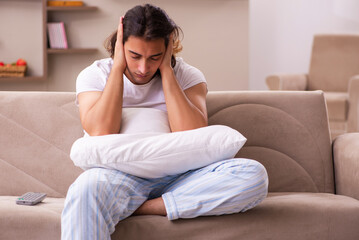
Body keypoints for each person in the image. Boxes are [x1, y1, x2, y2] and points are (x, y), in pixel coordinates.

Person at [61, 4, 268, 240]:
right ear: (120, 45)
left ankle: (139, 207)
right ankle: (131, 201)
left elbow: (191, 133)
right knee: (85, 190)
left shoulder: (188, 76)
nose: (143, 68)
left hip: (183, 177)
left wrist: (167, 71)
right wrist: (117, 68)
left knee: (253, 176)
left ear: (168, 48)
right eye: (134, 56)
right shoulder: (95, 75)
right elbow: (101, 130)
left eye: (154, 57)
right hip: (120, 176)